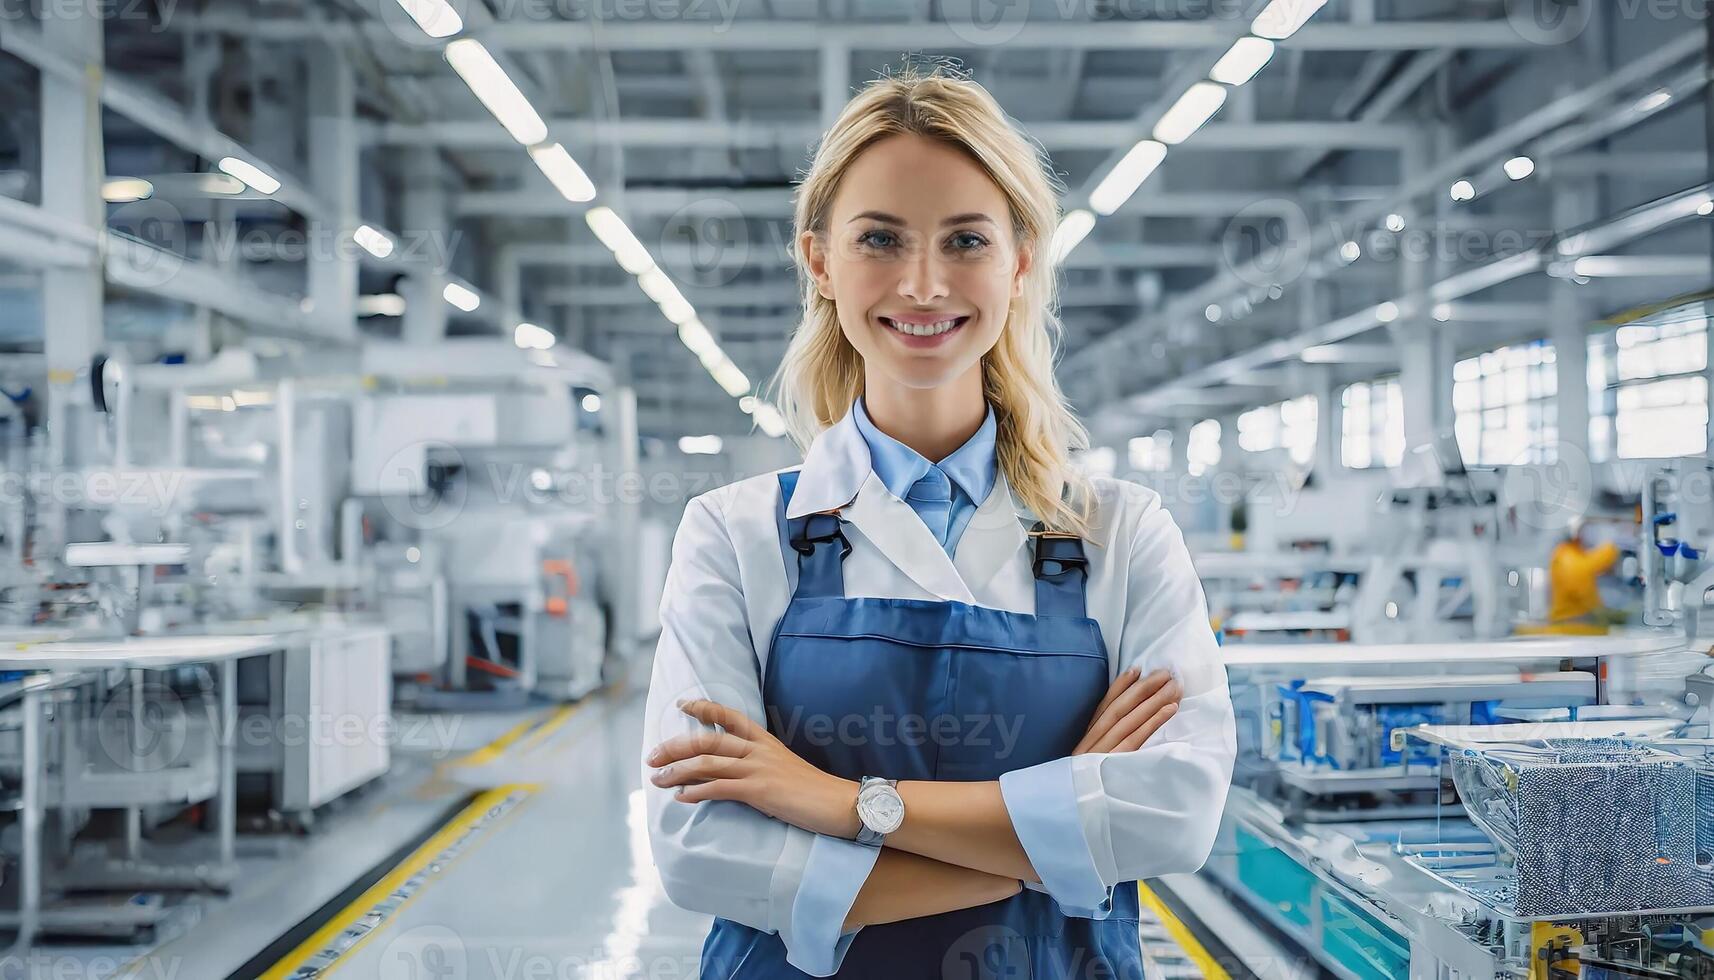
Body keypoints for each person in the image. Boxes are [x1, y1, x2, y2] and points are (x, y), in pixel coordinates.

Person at [641, 64, 1237, 979]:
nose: (923, 285)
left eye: (965, 241)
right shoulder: (732, 533)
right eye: (881, 238)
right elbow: (701, 848)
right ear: (820, 262)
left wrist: (841, 803)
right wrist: (1060, 843)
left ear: (1020, 261)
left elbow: (1176, 814)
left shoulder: (1121, 530)